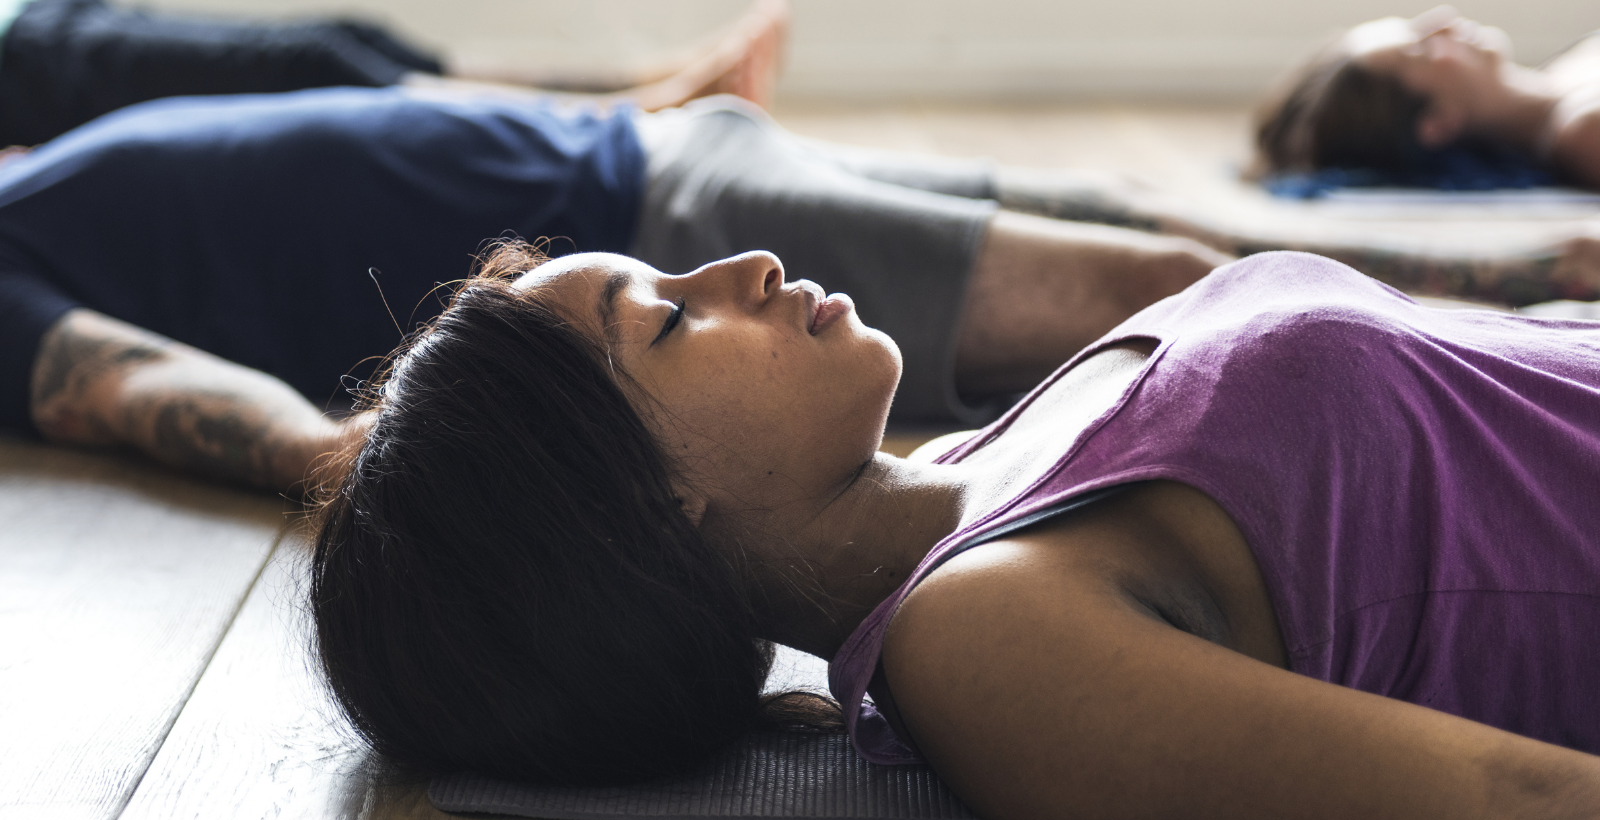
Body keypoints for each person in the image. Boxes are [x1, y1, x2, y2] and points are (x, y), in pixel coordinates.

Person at [308, 242, 1600, 820]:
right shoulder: (985, 644)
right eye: (667, 318)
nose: (741, 267)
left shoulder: (976, 456)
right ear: (649, 510)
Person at [2, 84, 1226, 492]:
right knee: (1163, 289)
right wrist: (384, 461)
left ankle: (1404, 294)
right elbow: (118, 387)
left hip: (652, 170)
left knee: (1115, 231)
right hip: (655, 237)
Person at [0, 0, 790, 147]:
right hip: (24, 69)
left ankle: (634, 88)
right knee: (319, 70)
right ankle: (632, 112)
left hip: (31, 22)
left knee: (349, 39)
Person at [1254, 5, 1600, 192]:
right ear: (1437, 122)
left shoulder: (1564, 71)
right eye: (1421, 46)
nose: (1443, 20)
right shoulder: (1584, 132)